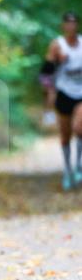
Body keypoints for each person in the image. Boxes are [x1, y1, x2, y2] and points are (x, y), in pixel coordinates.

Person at [44, 10, 82, 190]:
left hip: (81, 93)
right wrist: (50, 91)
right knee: (65, 136)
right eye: (68, 23)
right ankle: (67, 169)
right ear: (63, 26)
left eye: (74, 22)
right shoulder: (56, 45)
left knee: (80, 127)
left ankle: (78, 165)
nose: (71, 26)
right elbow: (45, 73)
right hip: (64, 92)